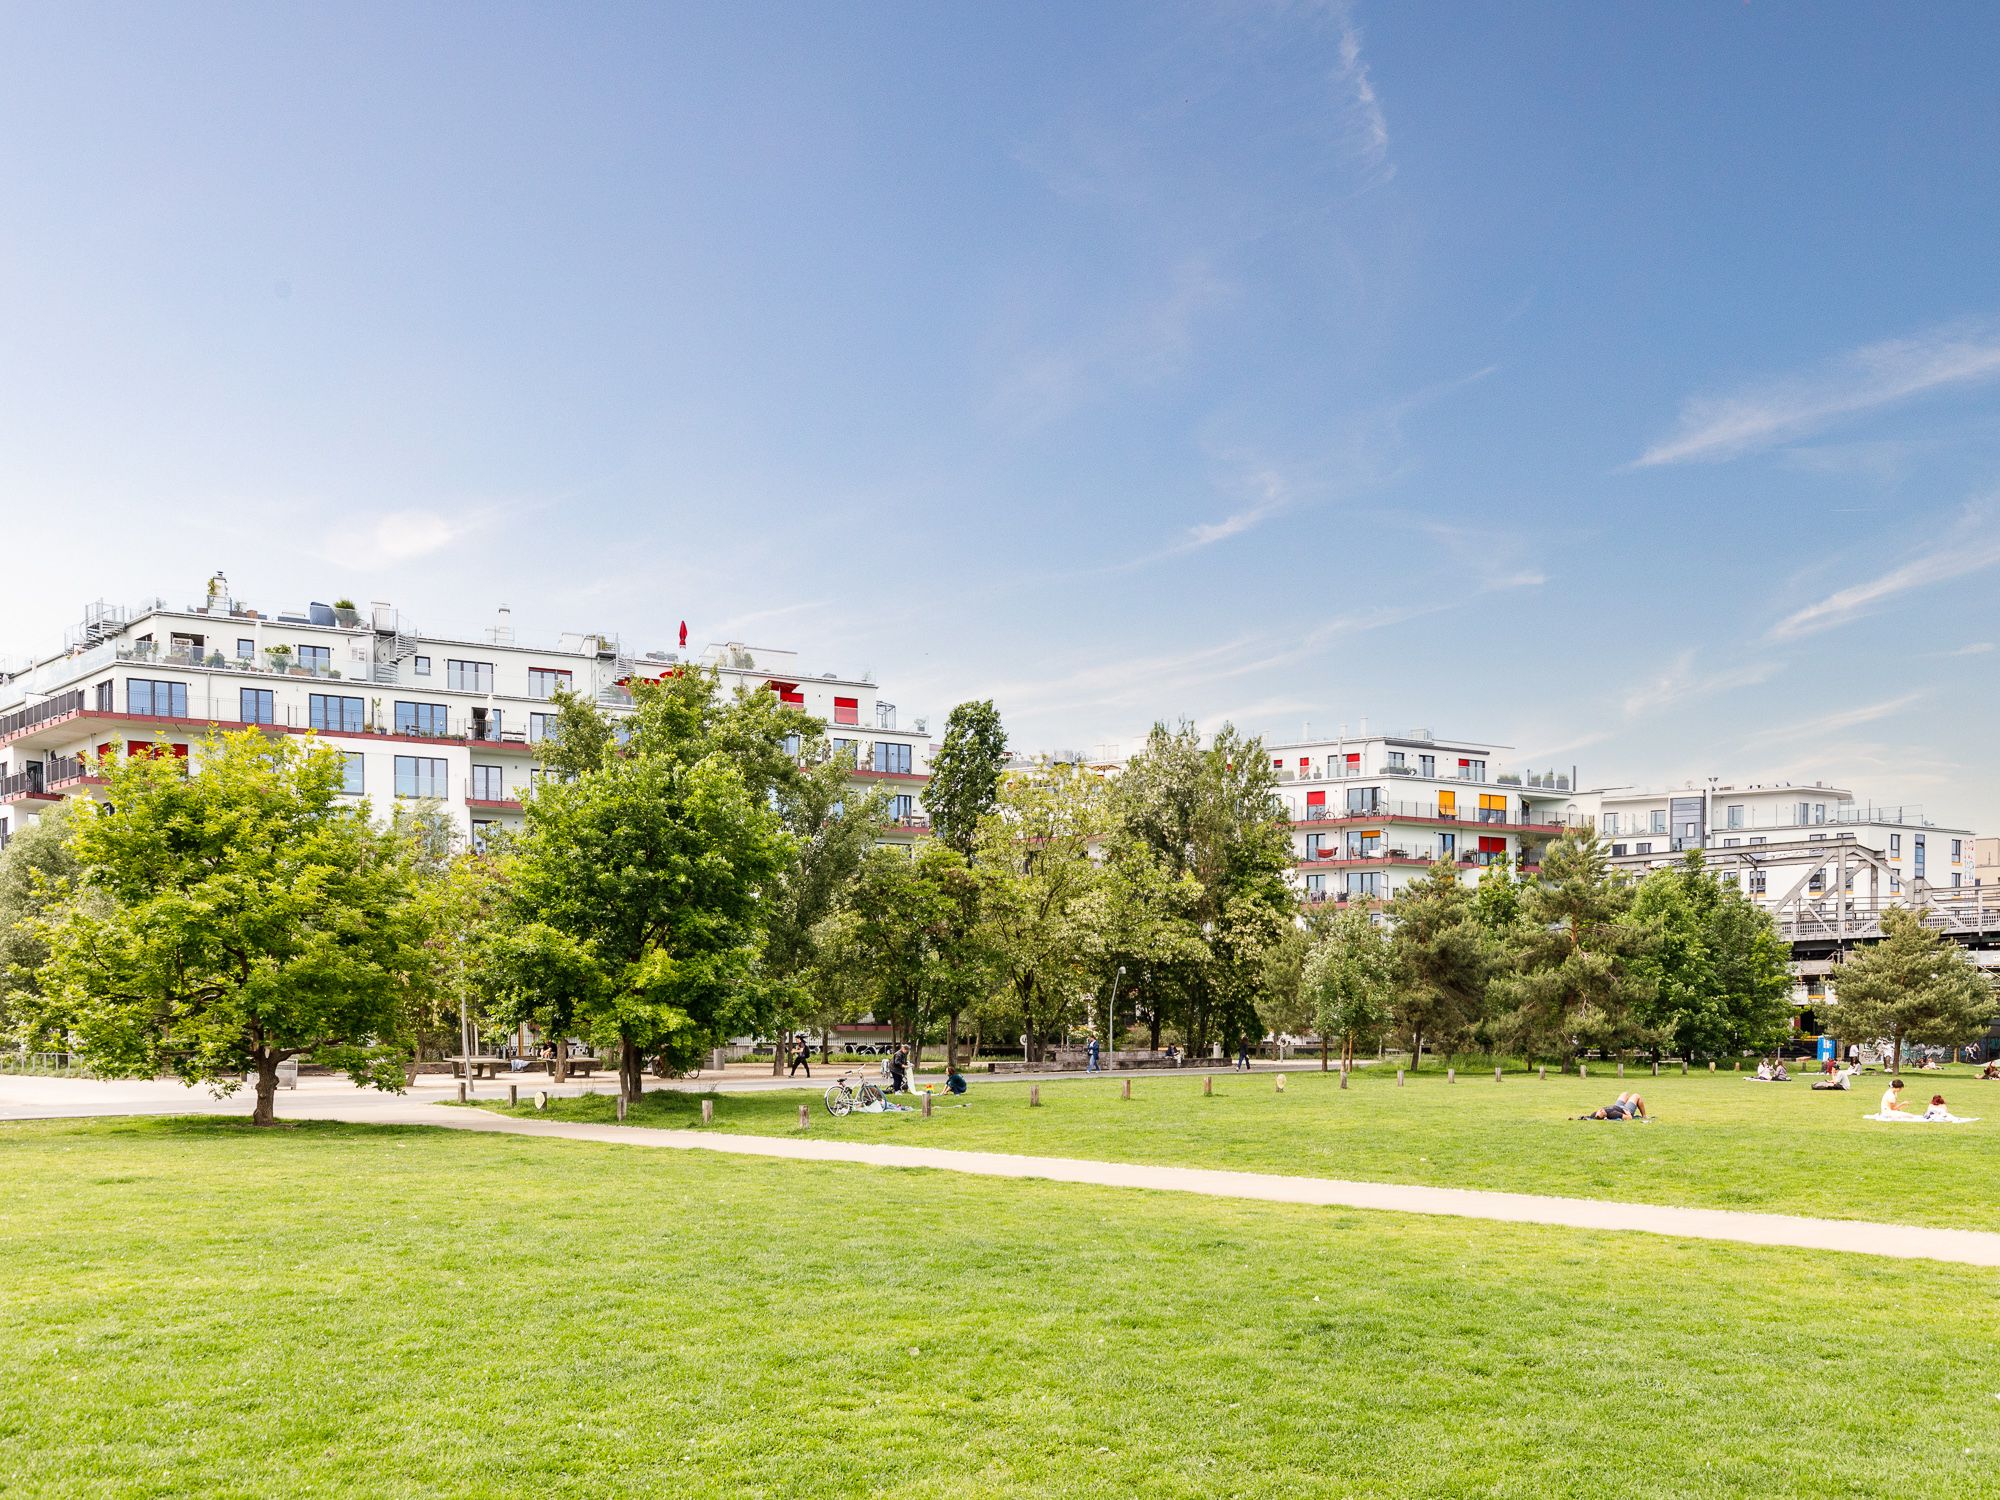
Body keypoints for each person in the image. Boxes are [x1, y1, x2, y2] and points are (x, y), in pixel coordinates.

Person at [1582, 1092, 1648, 1121]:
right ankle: (1644, 1116)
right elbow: (1629, 1118)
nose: (1601, 1109)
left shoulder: (1596, 1114)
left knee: (1625, 1094)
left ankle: (1629, 1102)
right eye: (1602, 1111)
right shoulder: (1613, 1114)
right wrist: (1627, 1112)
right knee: (1636, 1095)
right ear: (1605, 1116)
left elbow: (1588, 1117)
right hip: (1625, 1110)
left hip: (1617, 1106)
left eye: (1600, 1110)